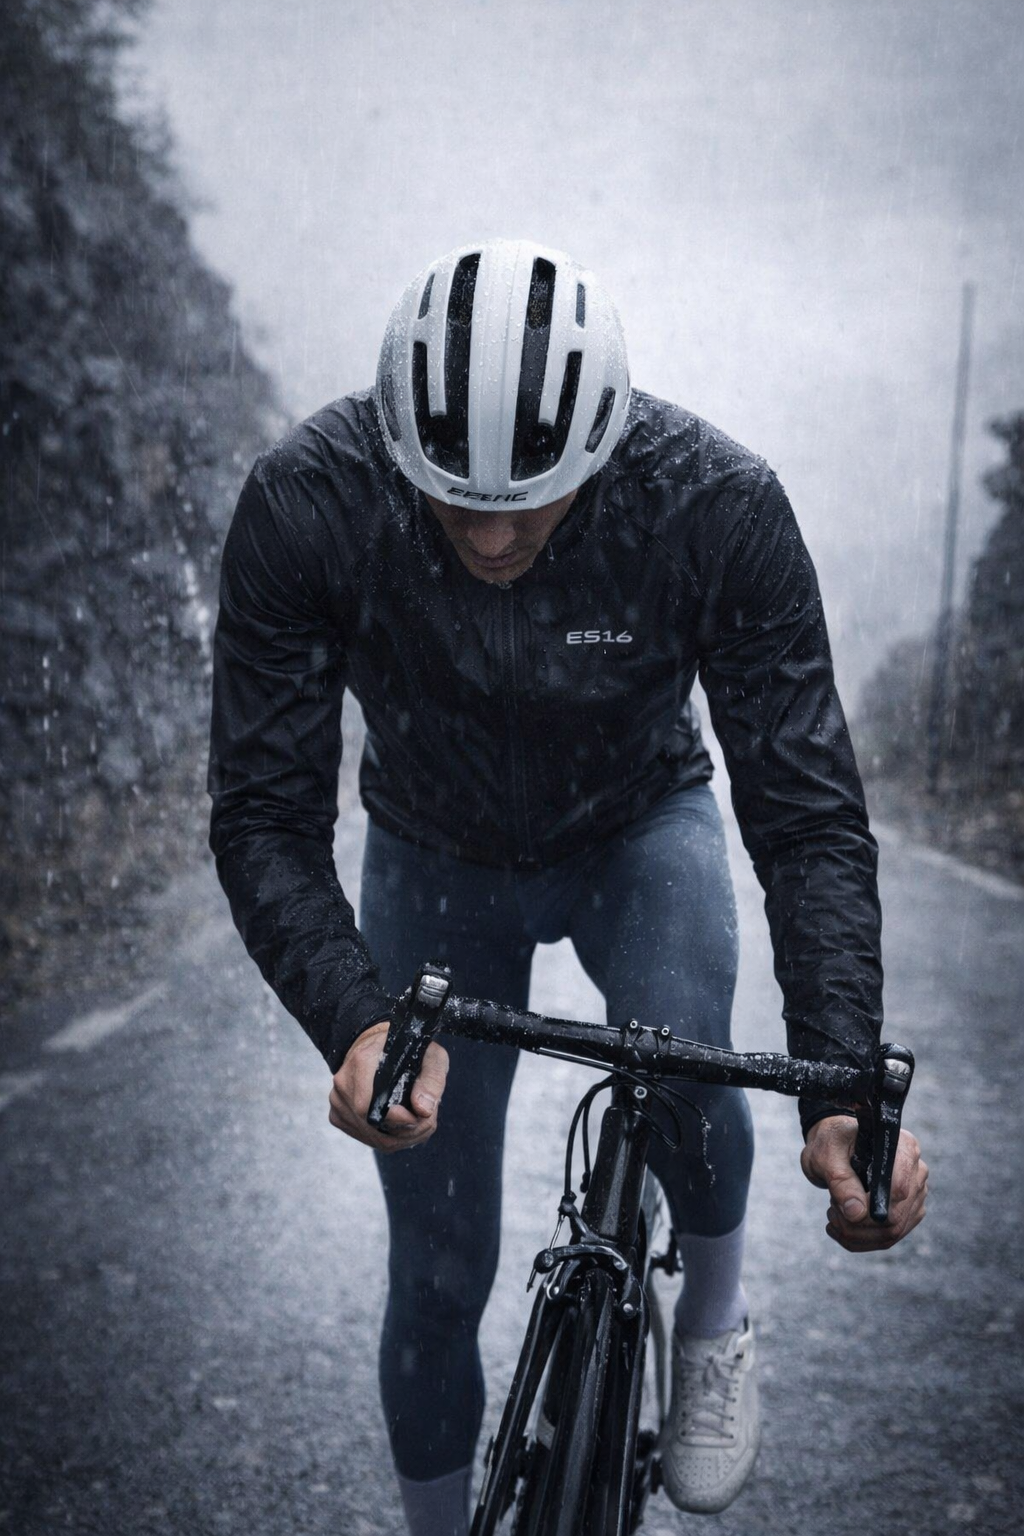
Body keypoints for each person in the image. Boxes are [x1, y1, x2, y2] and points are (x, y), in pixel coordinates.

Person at [208, 239, 928, 1534]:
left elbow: (807, 815)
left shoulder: (715, 502)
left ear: (604, 450)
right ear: (395, 451)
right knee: (437, 1272)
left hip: (636, 827)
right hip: (432, 854)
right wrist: (354, 1018)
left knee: (690, 1068)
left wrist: (839, 1081)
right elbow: (263, 811)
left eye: (529, 501)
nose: (491, 534)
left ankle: (712, 1317)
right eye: (454, 499)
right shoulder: (310, 499)